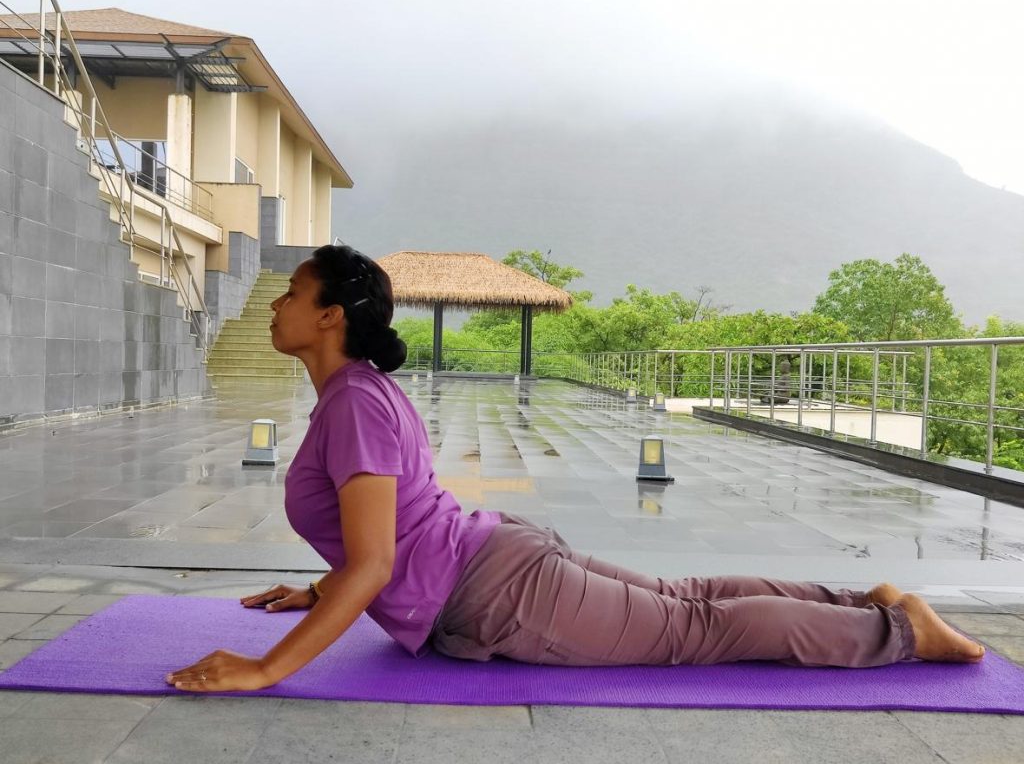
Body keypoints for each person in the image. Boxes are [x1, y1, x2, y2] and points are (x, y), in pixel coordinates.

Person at [166, 245, 984, 693]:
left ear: (330, 315)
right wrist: (318, 589)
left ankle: (901, 632)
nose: (275, 304)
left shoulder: (352, 401)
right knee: (684, 600)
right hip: (491, 560)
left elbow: (380, 558)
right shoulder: (357, 394)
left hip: (492, 590)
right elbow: (385, 536)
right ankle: (867, 598)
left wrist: (267, 668)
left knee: (693, 629)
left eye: (290, 292)